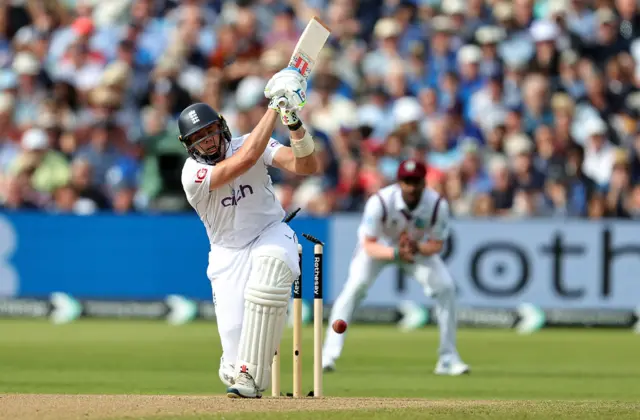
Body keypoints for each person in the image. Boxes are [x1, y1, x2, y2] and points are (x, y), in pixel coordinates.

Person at [178, 68, 317, 398]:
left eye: (210, 131)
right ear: (189, 146)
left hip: (270, 231)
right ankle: (239, 367)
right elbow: (246, 160)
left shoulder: (249, 142)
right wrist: (274, 105)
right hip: (227, 254)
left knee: (271, 265)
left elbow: (306, 167)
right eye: (199, 138)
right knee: (232, 362)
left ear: (222, 126)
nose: (208, 141)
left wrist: (293, 121)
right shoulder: (193, 174)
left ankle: (251, 377)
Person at [322, 159, 470, 376]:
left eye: (416, 181)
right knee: (354, 288)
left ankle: (448, 358)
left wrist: (416, 247)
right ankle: (328, 354)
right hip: (381, 248)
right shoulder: (380, 201)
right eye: (406, 181)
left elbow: (437, 244)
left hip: (414, 249)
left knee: (446, 288)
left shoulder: (437, 205)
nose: (411, 187)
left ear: (423, 182)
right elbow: (368, 244)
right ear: (399, 181)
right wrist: (397, 253)